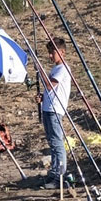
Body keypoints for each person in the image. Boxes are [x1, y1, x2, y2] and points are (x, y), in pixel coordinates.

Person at [36, 39, 71, 189]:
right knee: (52, 142)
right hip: (48, 108)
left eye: (53, 52)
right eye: (49, 53)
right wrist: (42, 97)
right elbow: (51, 90)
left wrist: (40, 70)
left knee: (57, 143)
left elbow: (50, 85)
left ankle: (60, 176)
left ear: (62, 52)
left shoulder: (63, 69)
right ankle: (54, 172)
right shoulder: (55, 69)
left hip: (55, 111)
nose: (50, 56)